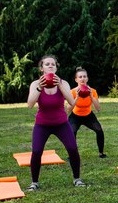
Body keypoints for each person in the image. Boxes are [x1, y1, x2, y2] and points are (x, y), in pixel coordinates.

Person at [26, 55, 86, 191]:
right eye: (47, 64)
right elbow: (30, 104)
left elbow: (71, 102)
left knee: (72, 149)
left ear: (56, 67)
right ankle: (34, 183)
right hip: (42, 124)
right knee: (36, 152)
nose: (51, 66)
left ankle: (77, 179)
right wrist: (40, 88)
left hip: (61, 124)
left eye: (53, 64)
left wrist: (59, 84)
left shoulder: (63, 83)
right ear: (41, 69)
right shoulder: (35, 84)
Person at [67, 67, 107, 158]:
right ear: (76, 79)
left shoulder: (92, 91)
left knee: (99, 130)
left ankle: (101, 153)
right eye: (80, 77)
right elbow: (68, 109)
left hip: (88, 116)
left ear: (87, 79)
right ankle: (72, 155)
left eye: (84, 76)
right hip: (75, 116)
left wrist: (91, 96)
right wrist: (77, 97)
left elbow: (98, 109)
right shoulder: (72, 92)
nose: (82, 78)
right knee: (72, 132)